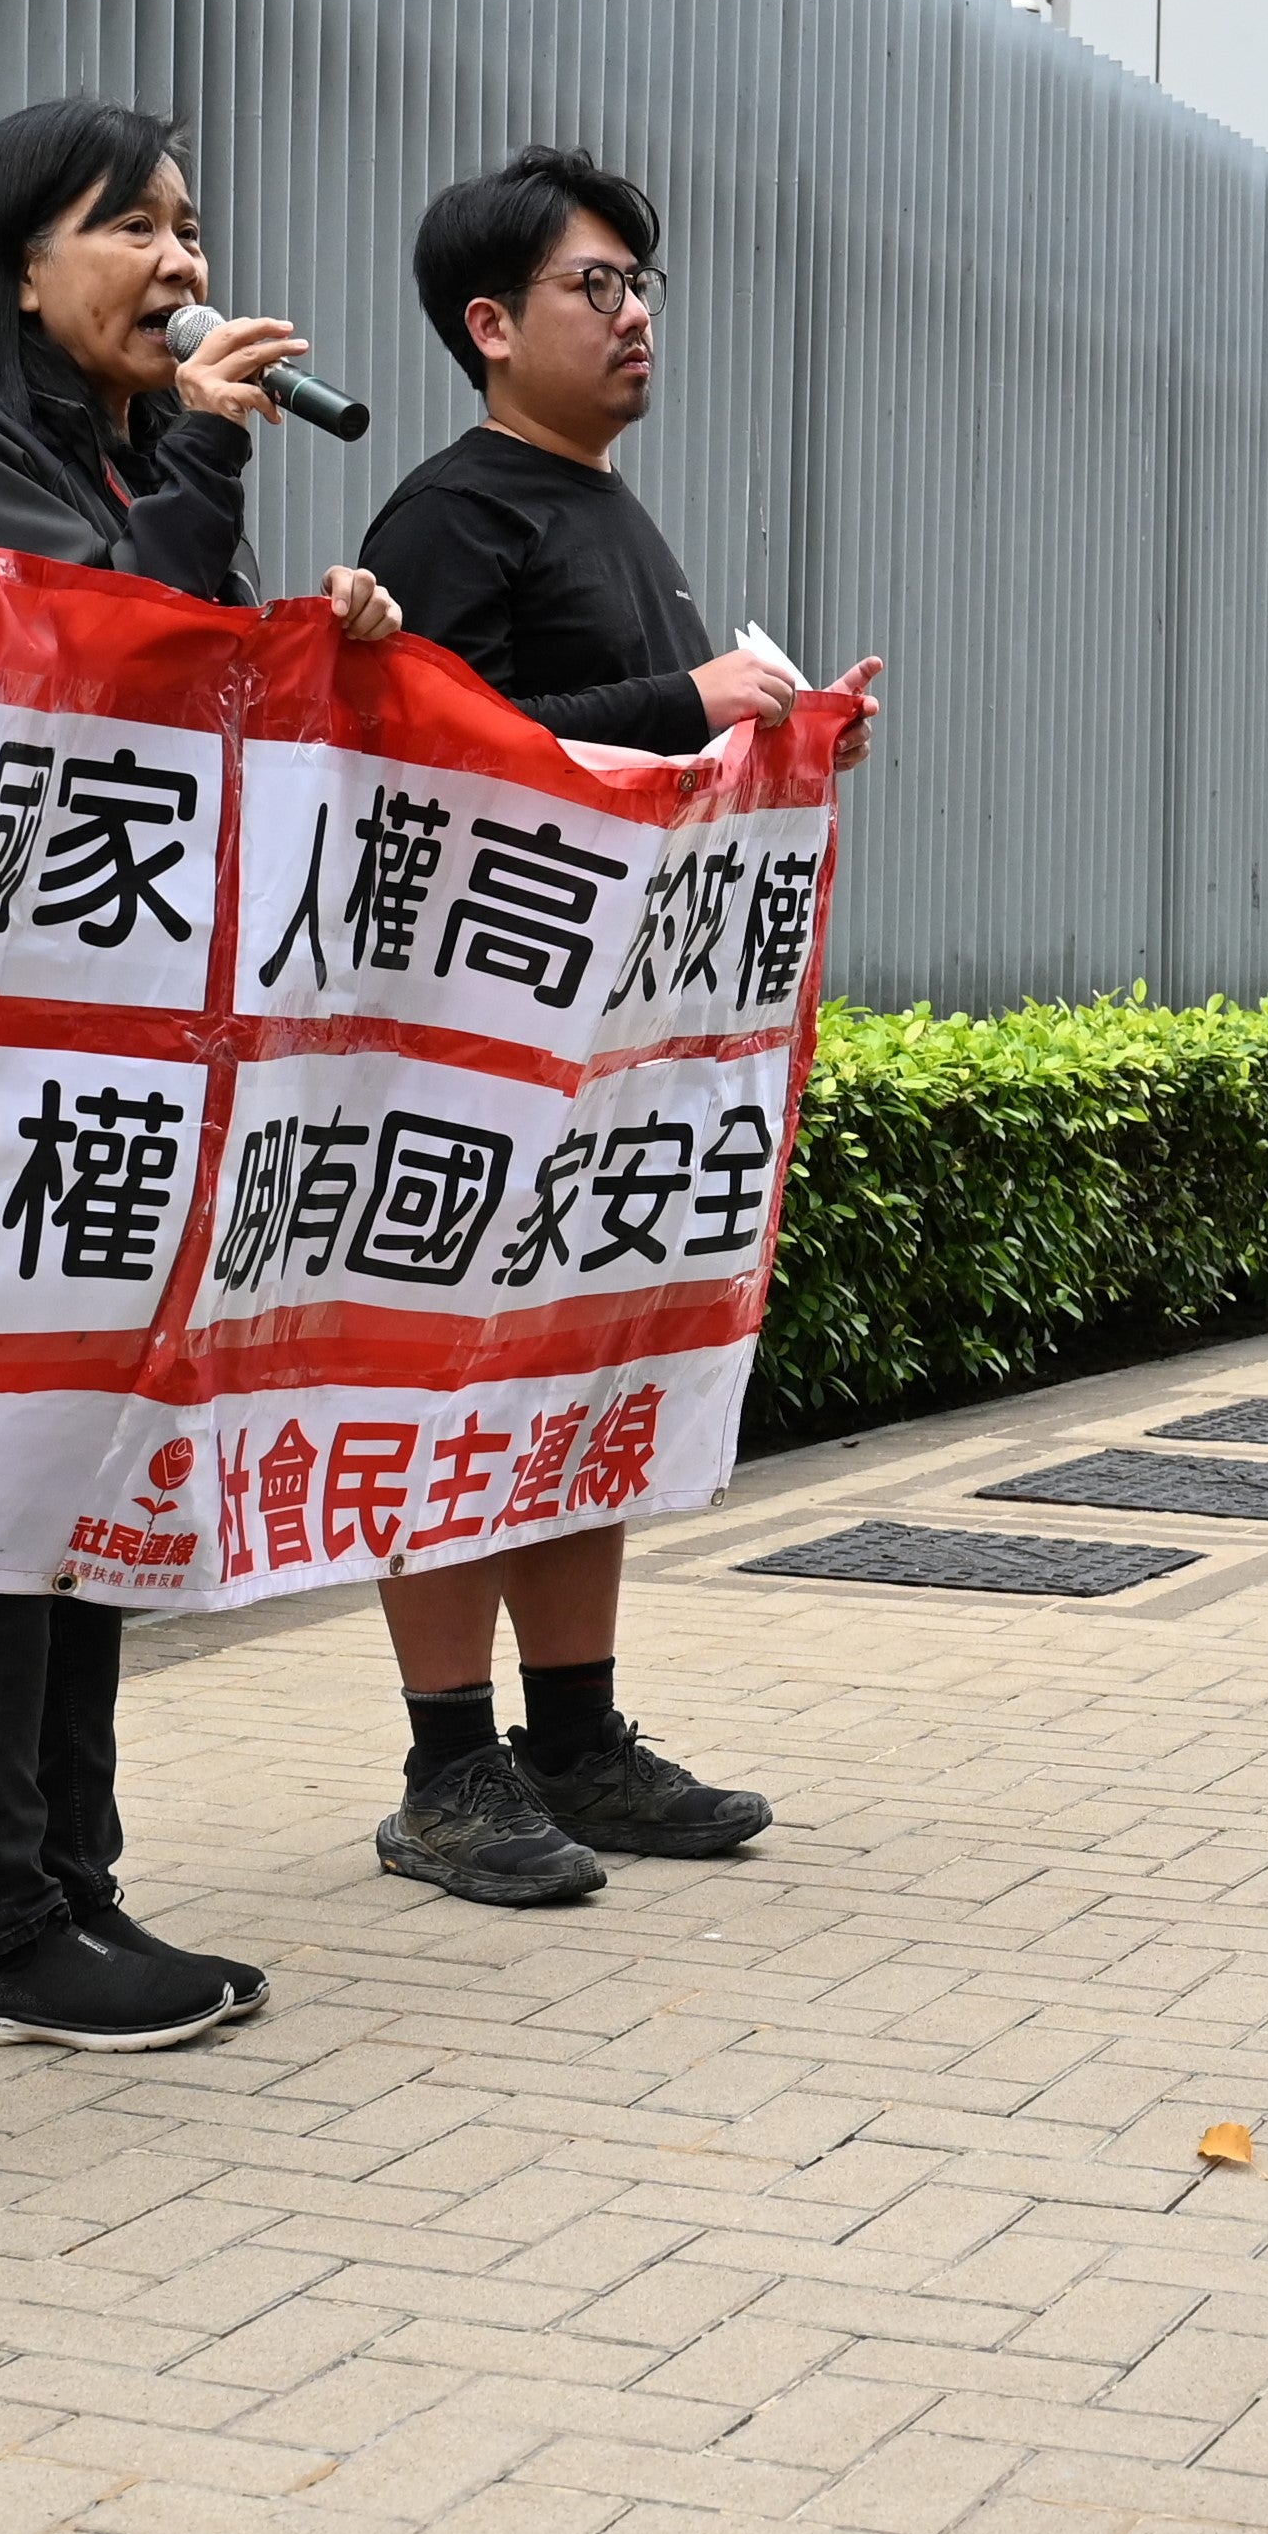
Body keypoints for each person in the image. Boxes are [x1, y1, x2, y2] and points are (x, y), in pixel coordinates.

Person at [0, 99, 410, 2051]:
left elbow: (191, 693)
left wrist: (315, 644)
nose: (185, 264)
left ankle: (70, 1888)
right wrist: (205, 465)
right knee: (8, 1492)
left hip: (110, 1057)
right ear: (22, 261)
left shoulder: (113, 449)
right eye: (136, 231)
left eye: (193, 228)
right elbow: (112, 668)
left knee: (79, 1480)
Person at [348, 146, 883, 1903]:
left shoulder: (602, 506)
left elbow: (629, 768)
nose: (636, 311)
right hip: (460, 1053)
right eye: (597, 284)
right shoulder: (448, 513)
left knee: (575, 1376)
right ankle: (449, 1766)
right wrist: (688, 697)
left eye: (643, 282)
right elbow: (435, 749)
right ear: (490, 325)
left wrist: (770, 754)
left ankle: (576, 1739)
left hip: (599, 1057)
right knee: (445, 1394)